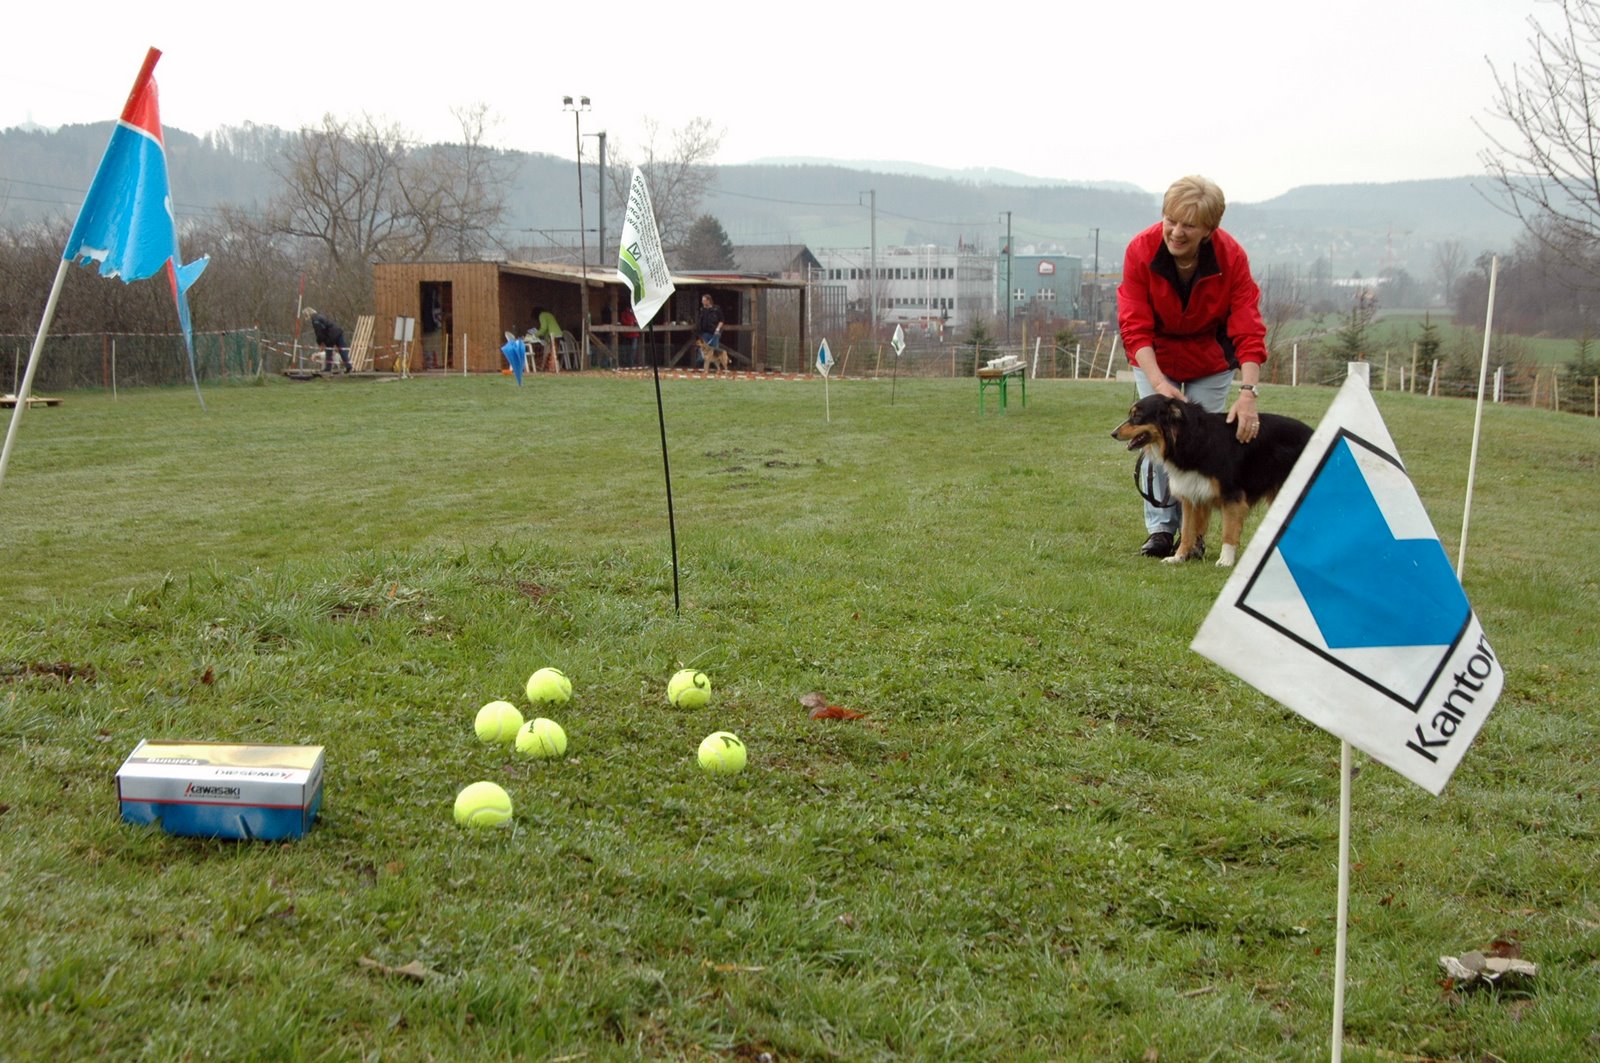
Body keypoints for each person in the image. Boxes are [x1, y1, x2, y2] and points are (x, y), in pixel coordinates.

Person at [1117, 175, 1268, 559]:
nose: (1176, 232)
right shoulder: (1141, 250)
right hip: (1155, 356)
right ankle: (1160, 530)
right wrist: (1157, 382)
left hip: (1210, 359)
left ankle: (1195, 537)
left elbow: (1248, 326)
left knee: (1201, 445)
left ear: (1209, 230)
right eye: (1170, 220)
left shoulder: (1231, 258)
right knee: (1156, 439)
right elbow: (1134, 325)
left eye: (1189, 225)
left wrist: (1248, 392)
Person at [303, 307, 350, 373]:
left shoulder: (315, 320)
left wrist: (320, 342)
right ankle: (348, 366)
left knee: (328, 351)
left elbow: (319, 332)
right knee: (342, 350)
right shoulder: (320, 316)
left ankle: (328, 368)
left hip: (331, 335)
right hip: (338, 332)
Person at [695, 293, 723, 368]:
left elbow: (721, 320)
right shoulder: (702, 310)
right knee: (702, 350)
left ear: (708, 301)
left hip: (714, 333)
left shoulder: (716, 309)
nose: (702, 302)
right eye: (702, 300)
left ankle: (716, 367)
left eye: (704, 300)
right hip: (704, 333)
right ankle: (701, 366)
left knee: (715, 350)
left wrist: (718, 329)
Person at [532, 307, 563, 373]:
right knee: (554, 352)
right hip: (558, 333)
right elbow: (547, 328)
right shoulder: (548, 314)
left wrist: (535, 335)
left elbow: (544, 328)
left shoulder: (541, 315)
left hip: (553, 334)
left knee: (551, 352)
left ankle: (551, 368)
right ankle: (549, 367)